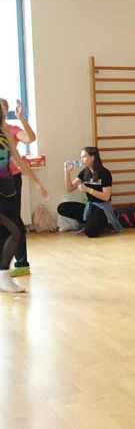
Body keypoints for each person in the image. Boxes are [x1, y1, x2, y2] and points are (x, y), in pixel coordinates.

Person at [0, 111, 48, 293]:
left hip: (7, 189)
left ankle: (3, 275)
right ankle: (3, 275)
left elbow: (19, 160)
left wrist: (37, 183)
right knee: (13, 231)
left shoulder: (6, 134)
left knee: (13, 231)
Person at [1, 98, 38, 277]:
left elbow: (30, 138)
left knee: (13, 219)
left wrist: (21, 118)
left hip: (11, 179)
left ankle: (21, 262)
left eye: (3, 109)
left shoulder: (12, 130)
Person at [58, 146, 122, 237]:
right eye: (81, 157)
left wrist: (88, 190)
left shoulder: (104, 173)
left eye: (84, 156)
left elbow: (106, 197)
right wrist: (67, 172)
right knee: (62, 207)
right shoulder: (84, 172)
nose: (81, 159)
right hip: (90, 206)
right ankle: (90, 221)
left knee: (90, 232)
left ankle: (105, 223)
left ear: (92, 157)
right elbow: (69, 188)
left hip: (102, 208)